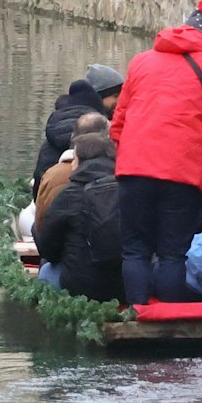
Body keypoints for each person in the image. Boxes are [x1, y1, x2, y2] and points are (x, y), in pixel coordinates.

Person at [109, 0, 202, 306]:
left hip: (134, 171)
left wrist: (125, 158)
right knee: (172, 253)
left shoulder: (141, 61)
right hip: (183, 175)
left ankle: (138, 315)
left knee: (135, 249)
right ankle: (167, 320)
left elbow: (118, 123)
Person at [34, 119, 125, 302]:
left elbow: (48, 250)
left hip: (78, 286)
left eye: (75, 158)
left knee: (45, 271)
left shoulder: (69, 195)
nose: (72, 164)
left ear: (82, 161)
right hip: (124, 285)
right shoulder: (128, 191)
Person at [36, 64, 123, 179]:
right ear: (97, 98)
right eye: (115, 96)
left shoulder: (53, 133)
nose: (120, 101)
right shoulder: (98, 131)